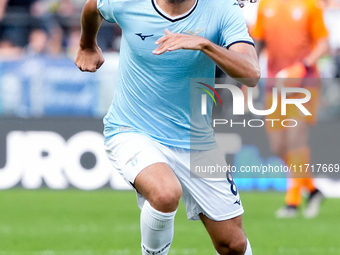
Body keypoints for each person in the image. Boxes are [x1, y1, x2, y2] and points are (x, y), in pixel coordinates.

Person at [75, 0, 260, 254]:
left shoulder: (221, 9)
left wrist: (205, 44)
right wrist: (87, 45)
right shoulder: (126, 2)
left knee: (233, 245)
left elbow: (251, 73)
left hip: (196, 140)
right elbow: (92, 7)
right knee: (165, 193)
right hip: (132, 129)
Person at [251, 0, 329, 218]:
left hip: (305, 83)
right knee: (278, 147)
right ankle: (312, 190)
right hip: (275, 85)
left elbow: (323, 44)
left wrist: (303, 65)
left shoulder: (310, 4)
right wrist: (250, 69)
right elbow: (258, 41)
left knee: (296, 141)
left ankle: (292, 202)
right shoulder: (265, 4)